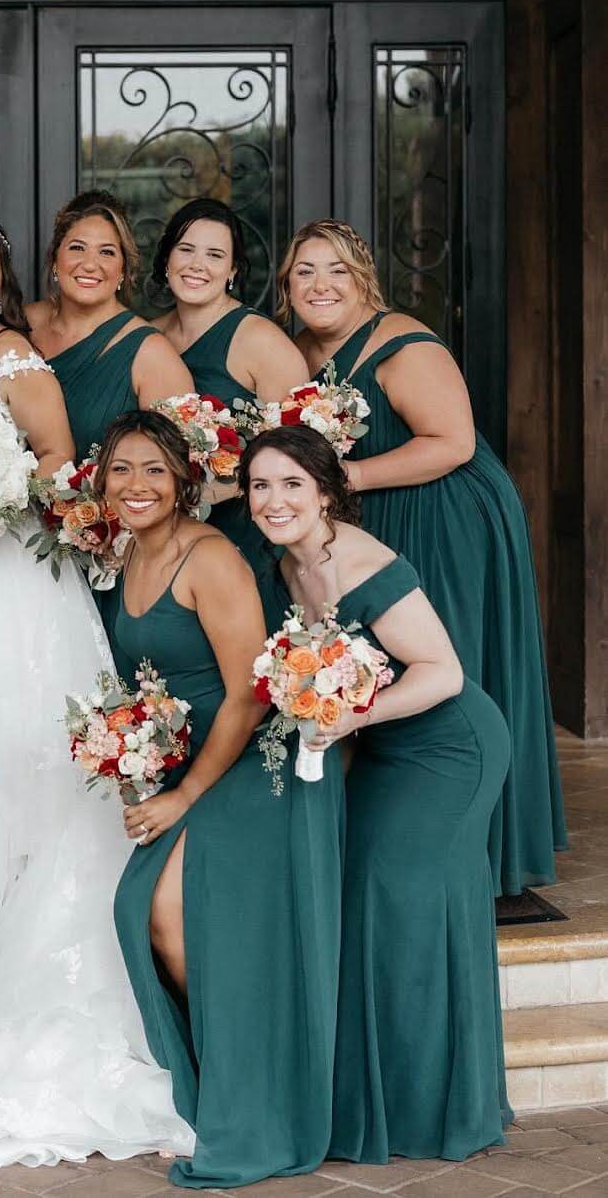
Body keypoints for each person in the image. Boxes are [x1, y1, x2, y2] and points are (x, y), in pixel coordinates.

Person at [0, 221, 194, 1168]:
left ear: (4, 284)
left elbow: (62, 468)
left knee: (15, 741)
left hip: (12, 580)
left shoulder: (18, 360)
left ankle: (12, 936)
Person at [242, 424, 511, 1162]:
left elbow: (442, 672)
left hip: (449, 748)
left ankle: (434, 1109)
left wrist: (351, 716)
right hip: (384, 750)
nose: (274, 500)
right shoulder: (286, 565)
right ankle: (379, 1099)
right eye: (261, 485)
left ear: (327, 493)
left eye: (292, 484)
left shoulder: (362, 562)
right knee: (362, 902)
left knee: (404, 904)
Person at [282, 218, 563, 896]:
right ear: (285, 285)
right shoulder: (296, 352)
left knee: (444, 654)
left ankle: (476, 847)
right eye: (305, 272)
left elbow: (453, 442)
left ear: (363, 278)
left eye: (337, 270)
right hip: (376, 518)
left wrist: (345, 479)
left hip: (445, 513)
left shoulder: (401, 342)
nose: (321, 285)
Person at [106, 411, 344, 1190]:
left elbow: (248, 693)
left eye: (154, 469)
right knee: (150, 916)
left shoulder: (209, 557)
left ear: (184, 480)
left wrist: (186, 795)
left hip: (251, 763)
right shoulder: (127, 553)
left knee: (169, 915)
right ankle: (227, 1087)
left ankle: (254, 1101)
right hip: (189, 762)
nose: (136, 484)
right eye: (121, 469)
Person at [150, 198, 309, 567]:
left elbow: (299, 456)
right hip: (162, 537)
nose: (197, 264)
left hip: (248, 537)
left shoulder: (260, 341)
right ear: (167, 258)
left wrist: (194, 498)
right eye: (185, 249)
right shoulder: (149, 336)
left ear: (232, 270)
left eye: (215, 255)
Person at [28, 190, 193, 462]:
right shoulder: (21, 325)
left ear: (123, 271)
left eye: (106, 252)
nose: (90, 264)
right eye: (77, 248)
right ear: (55, 260)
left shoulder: (152, 354)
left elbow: (177, 468)